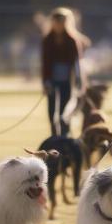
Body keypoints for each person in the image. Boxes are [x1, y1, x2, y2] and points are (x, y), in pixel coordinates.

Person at [41, 7, 88, 136]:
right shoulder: (47, 40)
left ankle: (65, 136)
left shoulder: (72, 40)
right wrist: (45, 82)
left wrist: (80, 81)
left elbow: (77, 63)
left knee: (64, 111)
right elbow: (45, 63)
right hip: (51, 80)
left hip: (67, 80)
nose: (58, 25)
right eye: (56, 22)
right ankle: (54, 137)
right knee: (51, 111)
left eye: (61, 22)